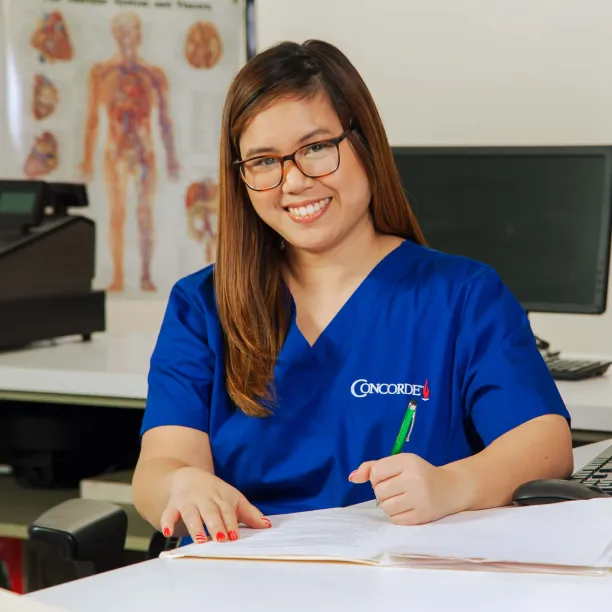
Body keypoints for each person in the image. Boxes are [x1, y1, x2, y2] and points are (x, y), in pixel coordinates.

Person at [133, 40, 573, 544]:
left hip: (401, 578)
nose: (293, 181)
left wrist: (453, 485)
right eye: (263, 161)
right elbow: (160, 465)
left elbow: (544, 441)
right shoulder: (202, 306)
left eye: (316, 147)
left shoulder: (462, 296)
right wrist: (181, 483)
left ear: (364, 143)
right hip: (239, 579)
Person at [79, 12, 180, 293]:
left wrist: (171, 155)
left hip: (143, 148)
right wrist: (87, 157)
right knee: (117, 213)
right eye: (122, 32)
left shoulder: (153, 75)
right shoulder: (101, 74)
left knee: (144, 212)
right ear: (115, 35)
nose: (127, 38)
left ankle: (145, 275)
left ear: (139, 36)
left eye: (132, 32)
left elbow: (164, 120)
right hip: (115, 149)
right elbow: (92, 119)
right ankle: (119, 276)